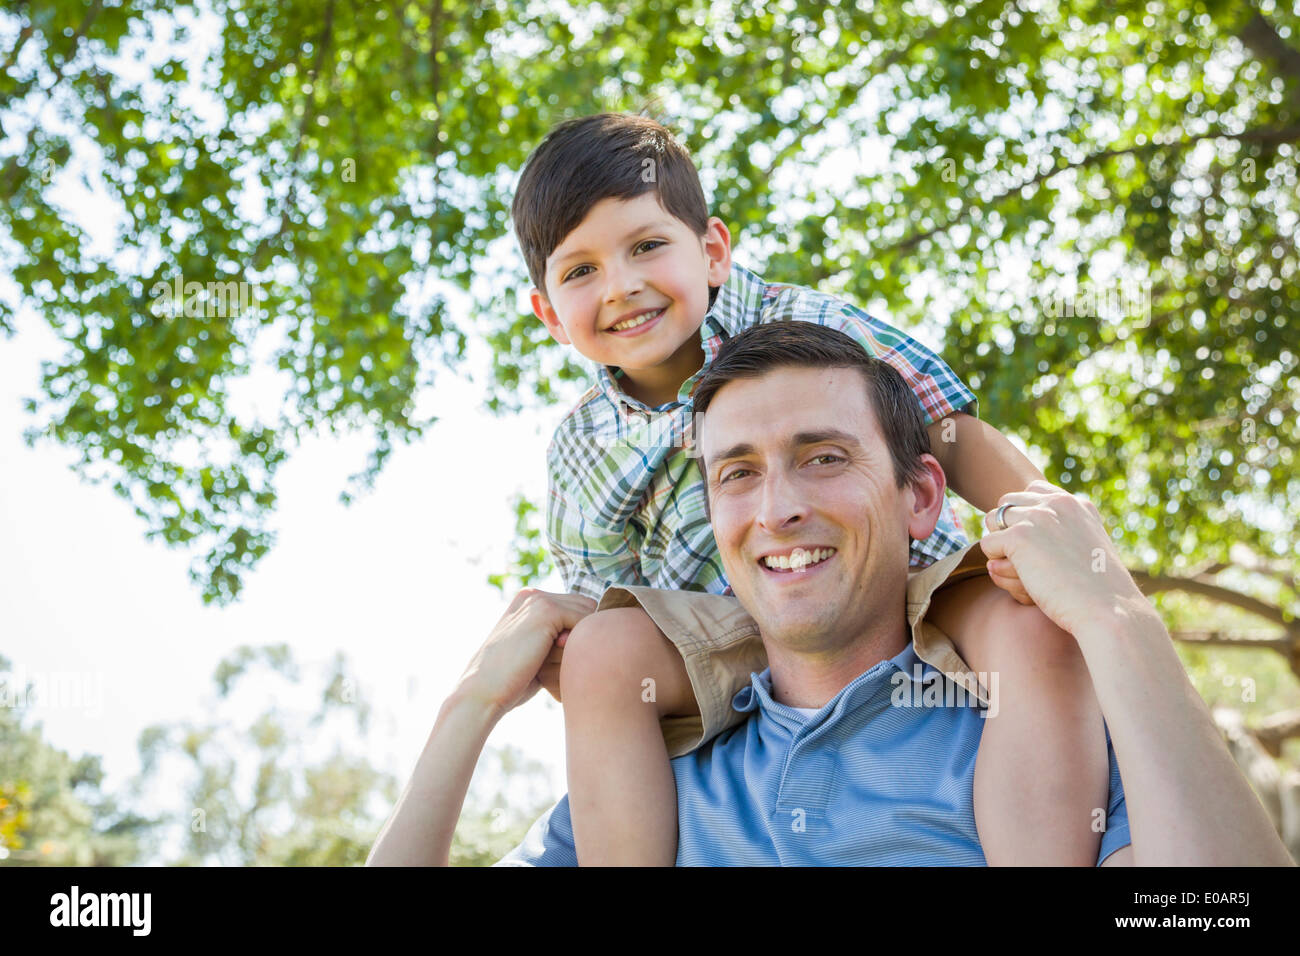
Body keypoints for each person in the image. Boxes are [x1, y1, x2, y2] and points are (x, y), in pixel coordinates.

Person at [366, 321, 1292, 866]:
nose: (778, 509)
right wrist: (470, 707)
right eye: (737, 474)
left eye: (824, 458)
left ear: (921, 494)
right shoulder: (650, 787)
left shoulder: (1047, 742)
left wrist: (1114, 614)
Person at [511, 111, 1103, 865]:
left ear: (713, 251)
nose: (622, 286)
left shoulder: (801, 324)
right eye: (581, 271)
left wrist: (1049, 531)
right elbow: (606, 597)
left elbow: (947, 432)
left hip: (899, 582)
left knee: (1031, 628)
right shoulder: (581, 448)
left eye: (648, 246)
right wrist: (584, 656)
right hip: (730, 637)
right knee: (600, 651)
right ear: (550, 315)